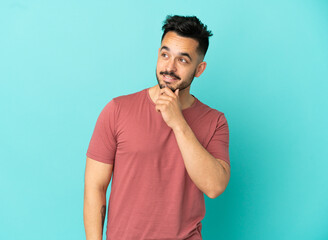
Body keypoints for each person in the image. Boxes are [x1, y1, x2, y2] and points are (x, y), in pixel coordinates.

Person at [83, 15, 231, 240]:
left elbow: (214, 187)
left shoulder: (215, 121)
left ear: (199, 69)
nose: (169, 67)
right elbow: (95, 187)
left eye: (182, 60)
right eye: (165, 55)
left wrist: (178, 123)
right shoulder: (118, 110)